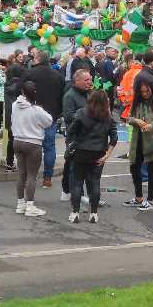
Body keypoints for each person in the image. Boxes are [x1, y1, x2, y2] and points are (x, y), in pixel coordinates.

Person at [65, 88, 118, 224]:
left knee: (77, 183)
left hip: (80, 151)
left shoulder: (81, 113)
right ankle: (93, 213)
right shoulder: (108, 116)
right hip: (99, 152)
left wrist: (71, 144)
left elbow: (71, 131)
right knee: (95, 182)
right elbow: (114, 137)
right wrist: (107, 154)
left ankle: (75, 212)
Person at [125, 72, 153, 210]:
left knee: (151, 170)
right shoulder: (136, 101)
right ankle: (139, 198)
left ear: (152, 88)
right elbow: (128, 118)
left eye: (147, 91)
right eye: (141, 91)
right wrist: (136, 120)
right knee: (134, 168)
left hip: (152, 140)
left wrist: (152, 125)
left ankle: (150, 200)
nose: (144, 94)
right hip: (138, 140)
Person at [11, 80, 52, 217]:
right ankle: (30, 206)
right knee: (31, 176)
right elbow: (49, 121)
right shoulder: (36, 110)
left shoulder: (14, 105)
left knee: (21, 173)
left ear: (22, 92)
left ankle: (20, 204)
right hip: (33, 143)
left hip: (17, 140)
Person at [25, 55, 65, 188]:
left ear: (37, 60)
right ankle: (47, 178)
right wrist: (59, 112)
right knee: (49, 146)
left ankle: (31, 177)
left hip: (32, 114)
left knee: (32, 146)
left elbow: (20, 90)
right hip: (50, 115)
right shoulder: (58, 75)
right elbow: (62, 94)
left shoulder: (30, 73)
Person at [60, 68, 93, 202]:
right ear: (77, 81)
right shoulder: (69, 96)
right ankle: (76, 194)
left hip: (88, 135)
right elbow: (68, 118)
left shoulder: (88, 93)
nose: (89, 82)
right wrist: (86, 114)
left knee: (72, 165)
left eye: (90, 79)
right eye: (86, 80)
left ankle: (67, 191)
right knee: (75, 167)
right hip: (76, 137)